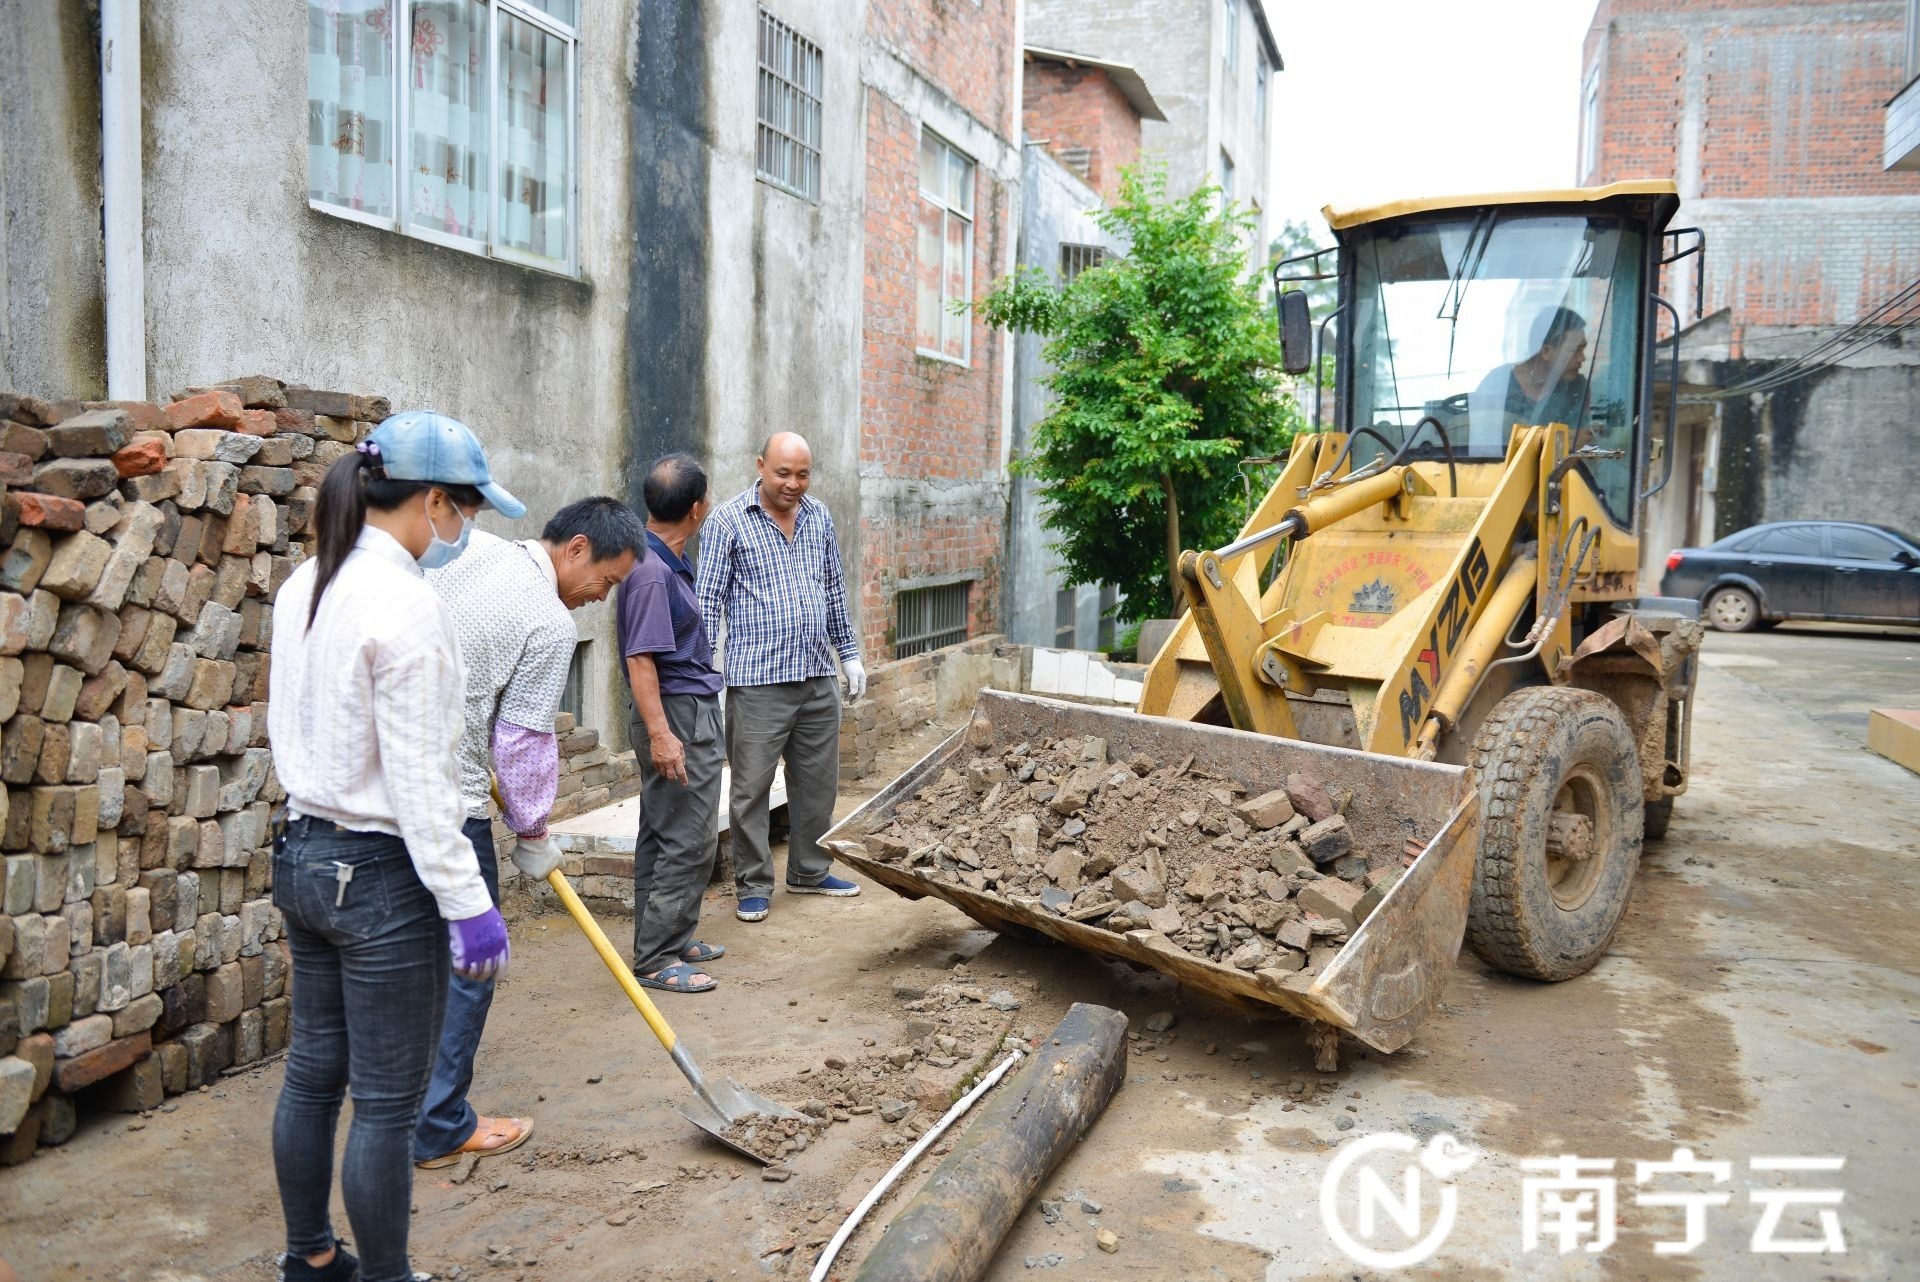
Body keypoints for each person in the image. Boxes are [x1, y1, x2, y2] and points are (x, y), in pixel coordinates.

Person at [268, 410, 520, 1282]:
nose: (465, 530)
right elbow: (421, 784)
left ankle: (310, 1256)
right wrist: (470, 904)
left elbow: (286, 723)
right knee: (385, 1102)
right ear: (435, 502)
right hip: (379, 875)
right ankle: (387, 1276)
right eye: (467, 511)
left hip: (302, 852)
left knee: (310, 1077)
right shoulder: (408, 602)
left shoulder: (307, 581)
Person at [411, 497, 646, 1169]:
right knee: (471, 962)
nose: (601, 600)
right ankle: (438, 1124)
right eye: (607, 581)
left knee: (419, 956)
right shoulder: (546, 621)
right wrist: (533, 830)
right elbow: (520, 747)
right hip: (449, 804)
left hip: (385, 791)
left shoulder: (477, 551)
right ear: (576, 549)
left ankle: (403, 1103)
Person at [696, 432, 866, 923]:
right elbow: (707, 603)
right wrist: (703, 672)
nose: (793, 484)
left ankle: (810, 871)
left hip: (816, 675)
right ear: (761, 466)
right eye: (783, 473)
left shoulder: (819, 516)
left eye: (803, 474)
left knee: (817, 783)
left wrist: (848, 654)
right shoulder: (729, 521)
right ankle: (753, 885)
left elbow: (834, 589)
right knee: (751, 789)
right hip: (758, 682)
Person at [619, 455, 729, 992]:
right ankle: (657, 957)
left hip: (684, 709)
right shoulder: (650, 571)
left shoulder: (661, 559)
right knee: (688, 838)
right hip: (677, 713)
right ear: (696, 507)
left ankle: (670, 935)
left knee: (666, 831)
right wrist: (663, 734)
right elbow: (641, 659)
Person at [1468, 305, 1592, 452]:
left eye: (1583, 349)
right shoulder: (1497, 384)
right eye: (1575, 350)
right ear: (1546, 351)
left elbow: (1584, 440)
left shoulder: (1577, 388)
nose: (1582, 359)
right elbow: (1482, 443)